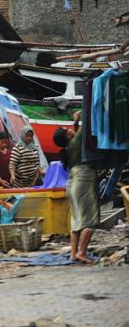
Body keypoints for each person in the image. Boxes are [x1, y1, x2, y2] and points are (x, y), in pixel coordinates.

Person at [53, 111, 97, 264]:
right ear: (67, 136)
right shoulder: (76, 142)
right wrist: (80, 117)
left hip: (72, 183)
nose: (69, 129)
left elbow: (75, 132)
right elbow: (84, 129)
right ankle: (82, 252)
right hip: (83, 179)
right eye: (67, 131)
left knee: (77, 220)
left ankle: (73, 254)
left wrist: (75, 122)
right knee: (90, 219)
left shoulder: (68, 147)